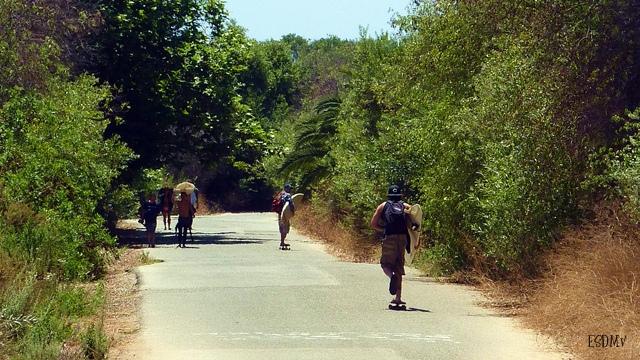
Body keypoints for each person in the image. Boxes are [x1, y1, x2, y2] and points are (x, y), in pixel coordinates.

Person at [370, 184, 412, 308]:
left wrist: (383, 229)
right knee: (399, 266)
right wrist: (415, 239)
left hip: (389, 237)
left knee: (386, 265)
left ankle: (391, 276)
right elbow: (415, 221)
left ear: (388, 195)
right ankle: (398, 298)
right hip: (403, 238)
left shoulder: (383, 206)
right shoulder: (405, 206)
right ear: (400, 195)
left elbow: (373, 224)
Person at [277, 183, 294, 249]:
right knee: (286, 227)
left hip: (280, 213)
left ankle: (282, 241)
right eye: (289, 188)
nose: (290, 190)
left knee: (281, 227)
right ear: (286, 188)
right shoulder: (288, 195)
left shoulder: (280, 194)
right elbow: (290, 204)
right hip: (286, 213)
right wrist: (292, 212)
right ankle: (282, 241)